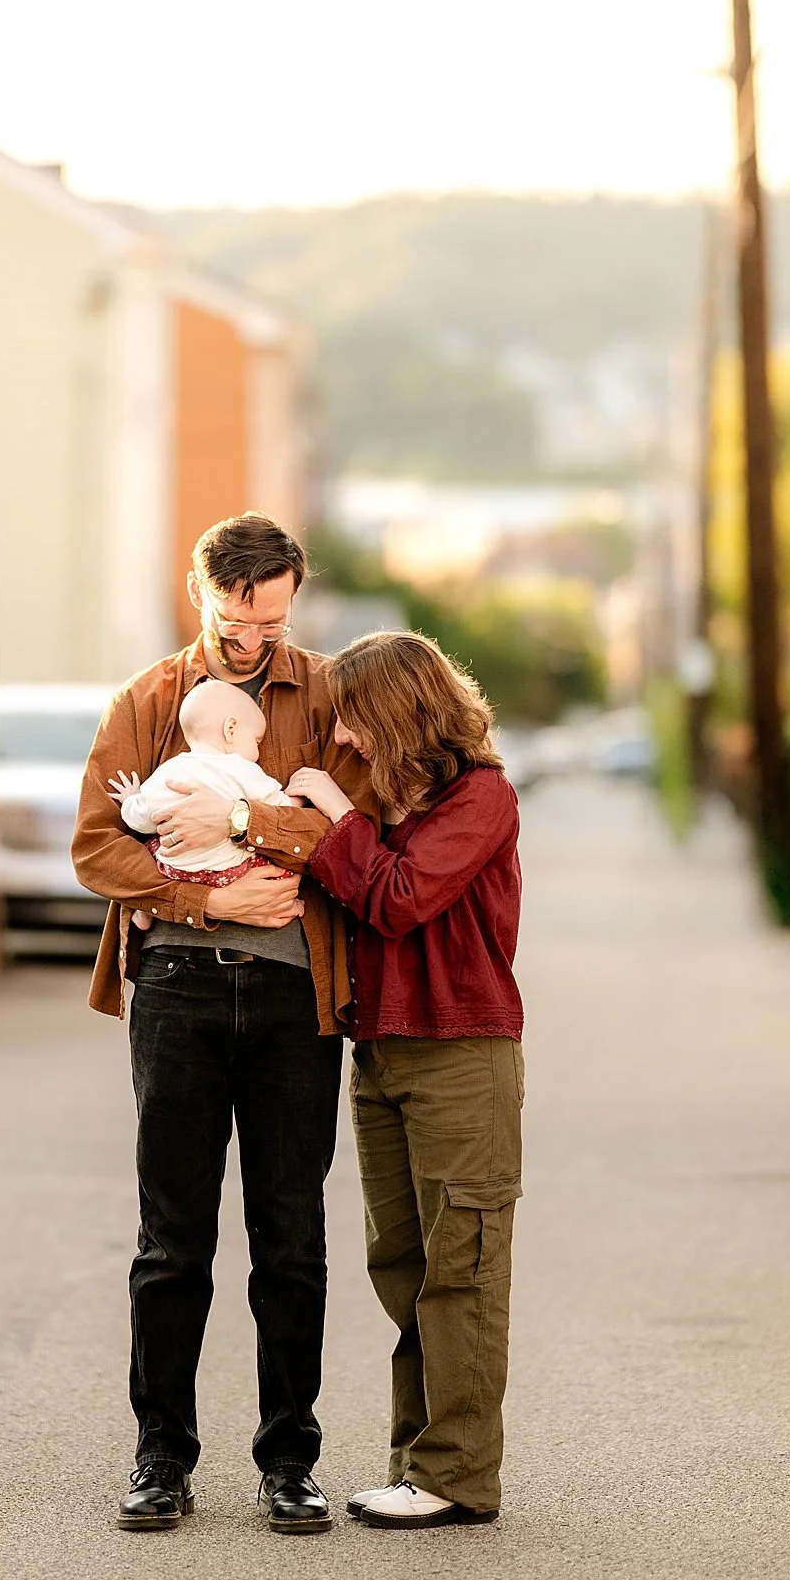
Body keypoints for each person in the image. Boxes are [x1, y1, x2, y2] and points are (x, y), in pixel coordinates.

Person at [71, 512, 374, 1535]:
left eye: (276, 617)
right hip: (178, 994)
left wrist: (248, 826)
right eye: (240, 618)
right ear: (205, 595)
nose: (257, 638)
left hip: (299, 1001)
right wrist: (209, 897)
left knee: (293, 1239)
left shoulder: (330, 691)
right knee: (173, 1239)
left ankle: (291, 1459)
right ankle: (162, 1456)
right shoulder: (147, 701)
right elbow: (95, 849)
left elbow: (351, 831)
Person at [285, 631, 524, 1530]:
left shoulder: (480, 798)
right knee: (403, 1264)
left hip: (461, 1049)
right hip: (380, 1052)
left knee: (460, 1266)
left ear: (394, 710)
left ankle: (458, 1475)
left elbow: (395, 898)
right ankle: (416, 1459)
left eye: (351, 715)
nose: (341, 737)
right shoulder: (385, 802)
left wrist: (326, 818)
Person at [110, 679, 302, 926]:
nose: (258, 750)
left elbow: (141, 820)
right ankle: (289, 906)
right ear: (230, 729)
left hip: (175, 872)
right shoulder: (242, 769)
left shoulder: (170, 771)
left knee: (150, 845)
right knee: (280, 868)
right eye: (256, 740)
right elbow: (281, 810)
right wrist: (298, 796)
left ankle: (145, 912)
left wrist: (131, 799)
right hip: (231, 873)